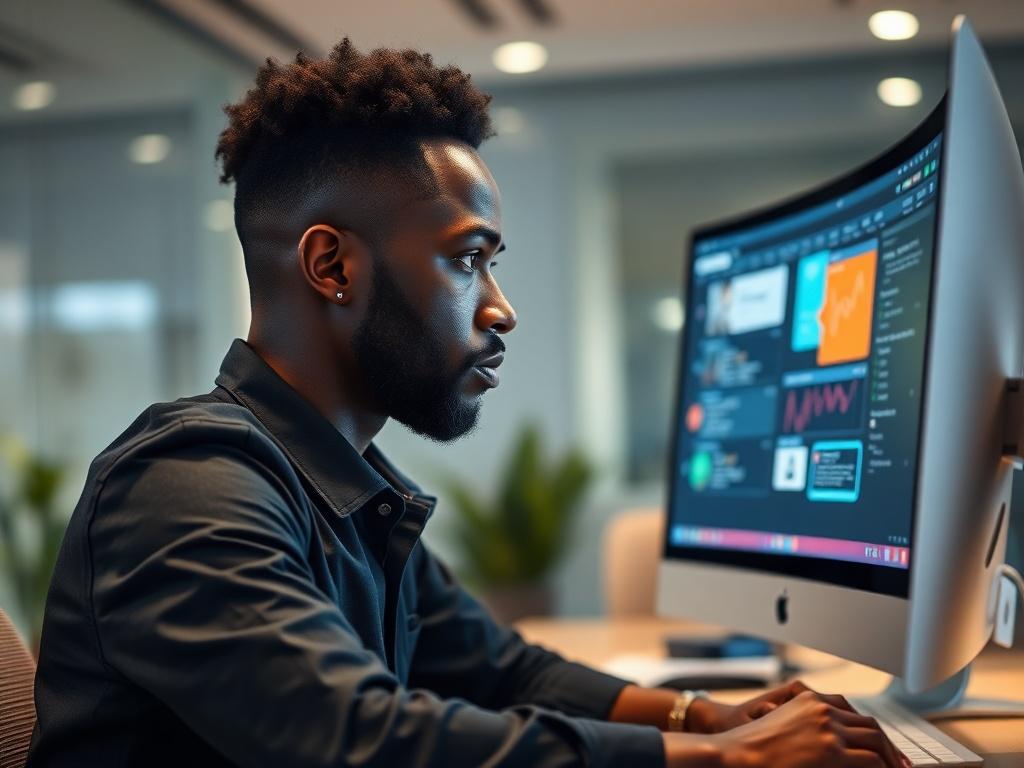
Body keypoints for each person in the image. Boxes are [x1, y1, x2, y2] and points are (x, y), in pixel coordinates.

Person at [28, 39, 906, 768]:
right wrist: (733, 761)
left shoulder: (346, 484)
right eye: (467, 260)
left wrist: (708, 718)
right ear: (332, 267)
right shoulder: (188, 486)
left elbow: (502, 671)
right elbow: (360, 740)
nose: (501, 307)